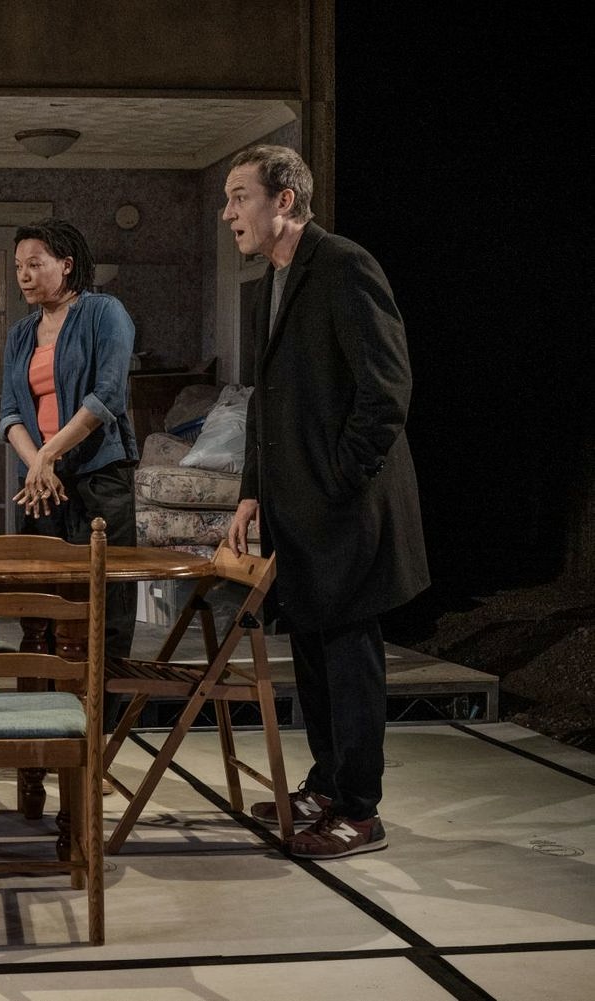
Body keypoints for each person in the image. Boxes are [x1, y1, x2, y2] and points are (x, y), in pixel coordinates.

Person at [222, 145, 428, 859]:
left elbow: (387, 389)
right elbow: (264, 402)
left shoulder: (343, 265)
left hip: (346, 508)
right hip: (295, 510)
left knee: (348, 657)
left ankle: (360, 810)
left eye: (239, 196)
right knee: (310, 652)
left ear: (284, 200)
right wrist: (251, 493)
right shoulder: (269, 282)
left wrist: (340, 480)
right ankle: (328, 782)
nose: (228, 212)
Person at [0, 217, 139, 664]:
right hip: (40, 485)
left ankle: (104, 701)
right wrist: (38, 465)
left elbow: (107, 396)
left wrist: (48, 454)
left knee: (104, 597)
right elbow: (9, 414)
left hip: (99, 477)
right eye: (18, 266)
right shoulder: (20, 334)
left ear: (66, 264)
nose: (23, 275)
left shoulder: (104, 313)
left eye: (34, 264)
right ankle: (46, 696)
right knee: (41, 600)